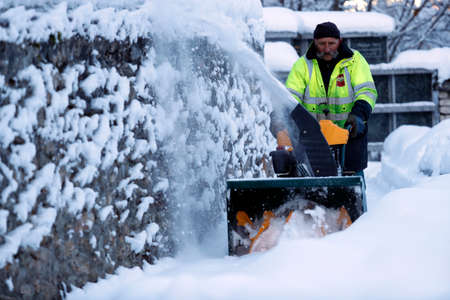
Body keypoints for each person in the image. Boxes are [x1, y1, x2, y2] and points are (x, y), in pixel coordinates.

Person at [285, 21, 377, 176]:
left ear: (339, 42)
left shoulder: (355, 62)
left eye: (331, 43)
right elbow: (290, 97)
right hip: (313, 140)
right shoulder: (303, 66)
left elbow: (366, 91)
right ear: (314, 42)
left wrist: (358, 116)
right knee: (307, 183)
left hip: (349, 137)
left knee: (352, 184)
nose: (327, 49)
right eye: (322, 44)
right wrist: (284, 120)